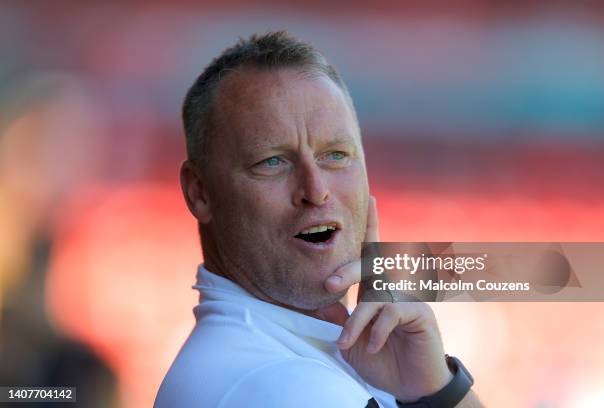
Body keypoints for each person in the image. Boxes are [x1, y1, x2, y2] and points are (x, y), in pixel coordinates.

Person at [154, 31, 481, 408]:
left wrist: (434, 391)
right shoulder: (279, 385)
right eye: (272, 162)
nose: (316, 189)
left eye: (336, 154)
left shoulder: (292, 356)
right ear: (200, 192)